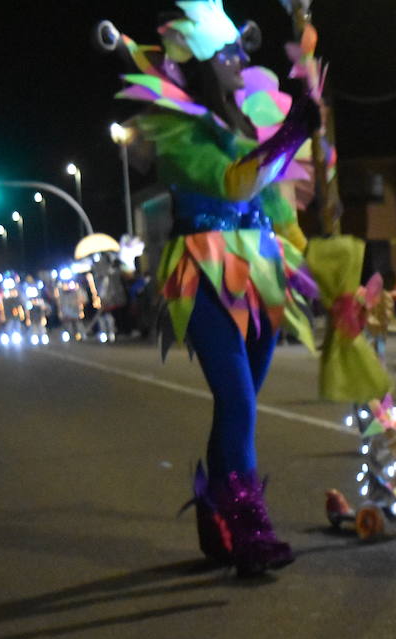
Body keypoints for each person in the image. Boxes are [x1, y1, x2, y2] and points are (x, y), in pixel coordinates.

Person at [104, 0, 320, 575]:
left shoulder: (253, 119)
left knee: (239, 407)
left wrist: (310, 260)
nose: (234, 60)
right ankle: (250, 529)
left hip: (261, 271)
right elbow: (234, 183)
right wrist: (289, 139)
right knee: (238, 401)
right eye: (221, 54)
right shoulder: (175, 129)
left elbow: (277, 208)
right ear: (199, 66)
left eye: (235, 51)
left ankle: (217, 517)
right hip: (201, 267)